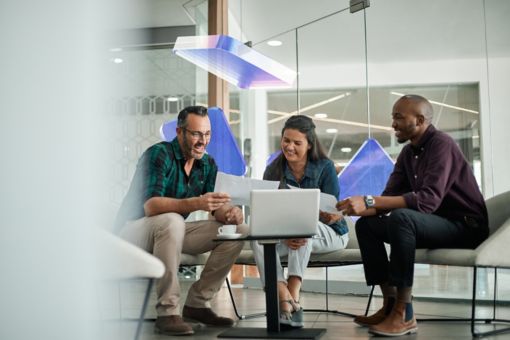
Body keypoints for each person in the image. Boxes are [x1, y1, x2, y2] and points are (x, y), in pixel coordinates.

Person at [336, 95, 489, 337]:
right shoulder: (409, 153)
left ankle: (405, 312)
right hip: (433, 224)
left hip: (465, 227)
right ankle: (389, 304)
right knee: (367, 225)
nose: (393, 124)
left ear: (419, 120)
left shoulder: (442, 144)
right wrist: (346, 211)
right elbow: (386, 200)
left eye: (398, 117)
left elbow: (426, 200)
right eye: (393, 117)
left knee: (402, 217)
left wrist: (369, 200)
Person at [114, 105, 248, 336]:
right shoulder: (159, 154)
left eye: (207, 135)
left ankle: (197, 303)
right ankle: (167, 312)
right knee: (173, 220)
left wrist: (229, 212)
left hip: (168, 231)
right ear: (179, 132)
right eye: (196, 134)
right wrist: (197, 202)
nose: (202, 141)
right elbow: (151, 206)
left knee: (238, 230)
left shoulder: (207, 164)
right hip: (132, 232)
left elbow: (213, 205)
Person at [251, 115, 350, 328]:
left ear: (309, 144)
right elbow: (268, 211)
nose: (289, 147)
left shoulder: (325, 167)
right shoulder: (273, 170)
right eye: (286, 140)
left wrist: (324, 215)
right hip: (289, 235)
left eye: (297, 143)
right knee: (257, 237)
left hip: (329, 233)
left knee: (302, 228)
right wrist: (284, 231)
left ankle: (293, 292)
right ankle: (283, 295)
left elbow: (331, 210)